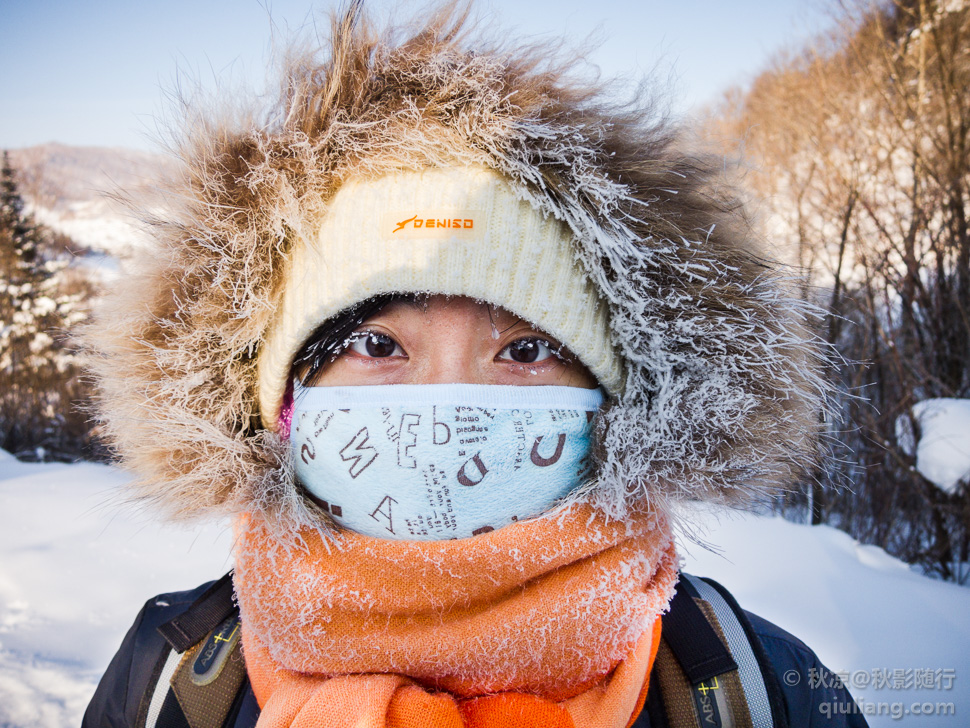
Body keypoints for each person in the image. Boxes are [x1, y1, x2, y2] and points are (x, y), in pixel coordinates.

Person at [82, 2, 868, 726]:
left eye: (526, 350)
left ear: (617, 411)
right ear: (284, 404)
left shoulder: (759, 686)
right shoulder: (170, 674)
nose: (448, 402)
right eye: (377, 345)